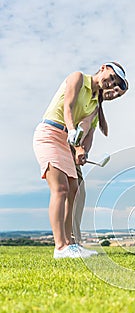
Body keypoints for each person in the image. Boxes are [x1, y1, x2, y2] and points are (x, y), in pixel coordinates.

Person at [33, 62, 128, 258]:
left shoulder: (94, 103)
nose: (110, 84)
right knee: (60, 189)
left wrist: (81, 151)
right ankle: (60, 247)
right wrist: (72, 129)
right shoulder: (78, 77)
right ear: (103, 68)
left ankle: (70, 244)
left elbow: (89, 134)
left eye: (114, 83)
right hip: (50, 134)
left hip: (65, 140)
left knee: (74, 191)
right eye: (111, 78)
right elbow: (68, 106)